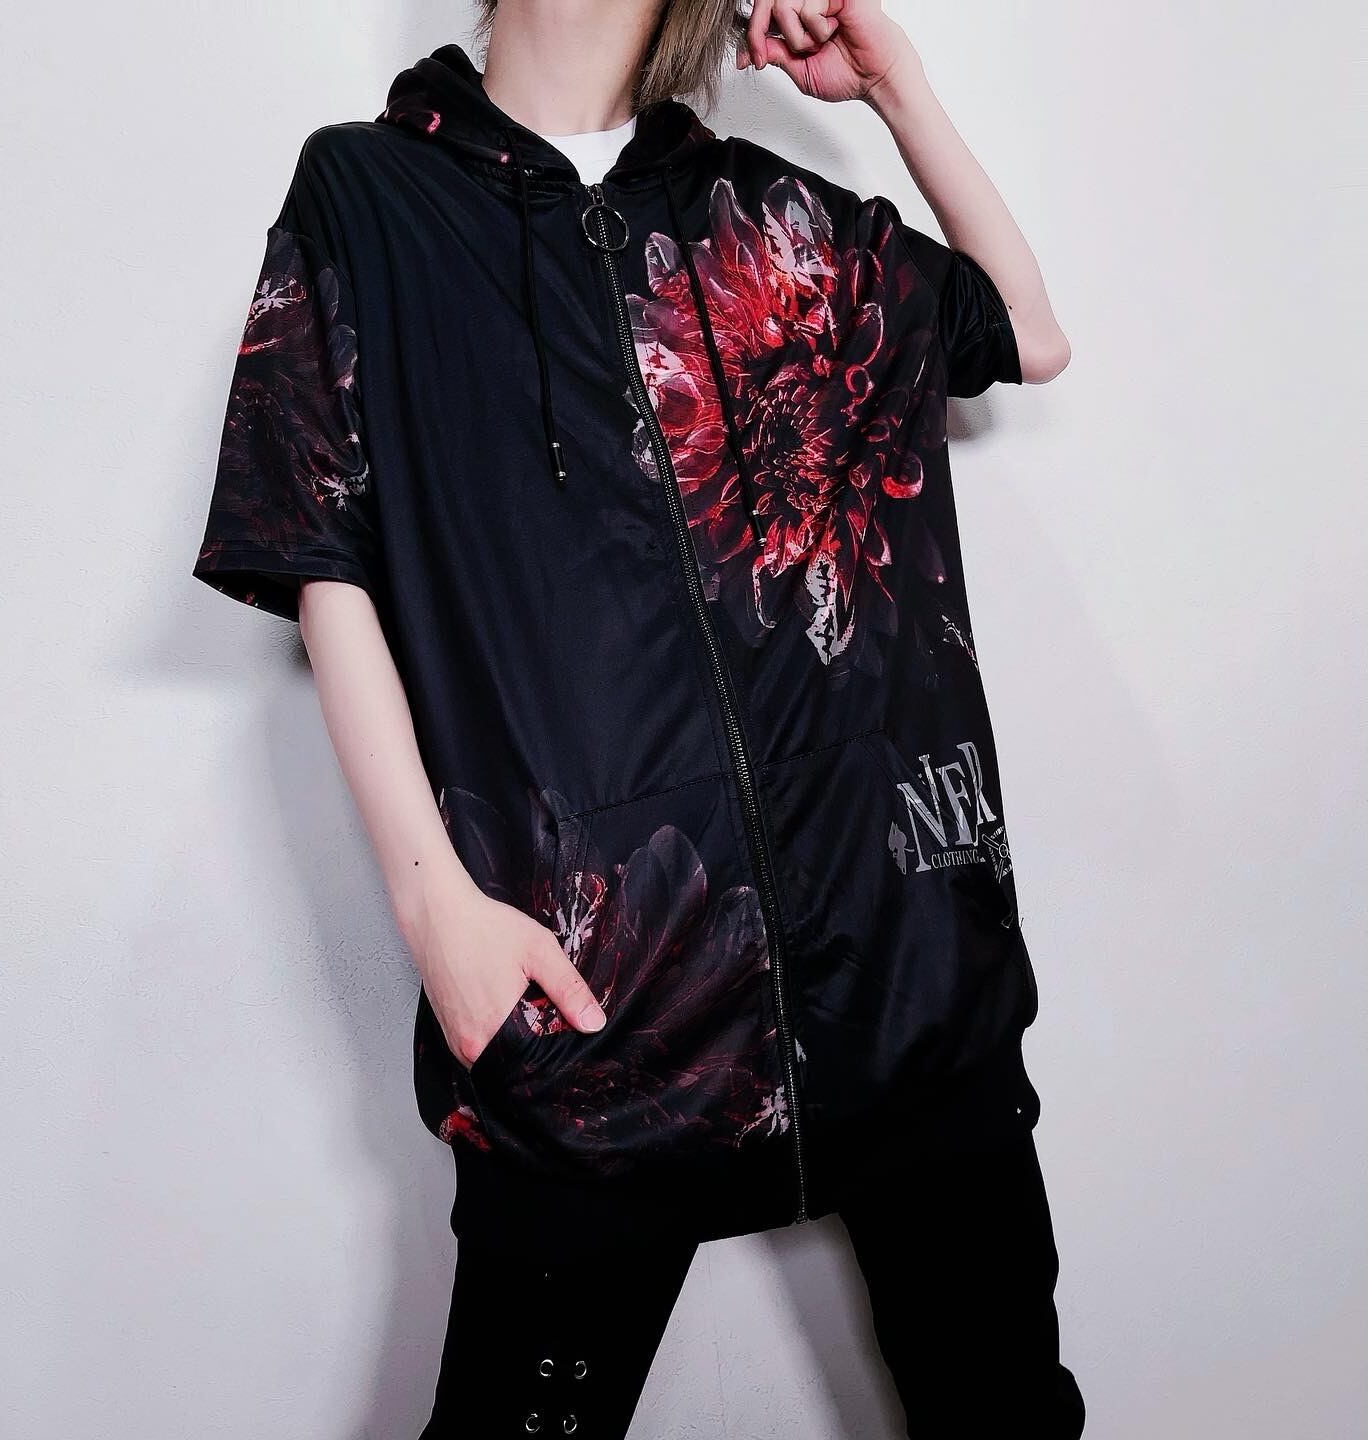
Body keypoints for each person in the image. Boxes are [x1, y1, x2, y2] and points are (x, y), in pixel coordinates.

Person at [190, 1, 1083, 1434]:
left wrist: (897, 89)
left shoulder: (764, 212)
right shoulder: (370, 192)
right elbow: (318, 554)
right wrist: (436, 915)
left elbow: (1025, 332)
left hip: (909, 989)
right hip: (595, 1014)